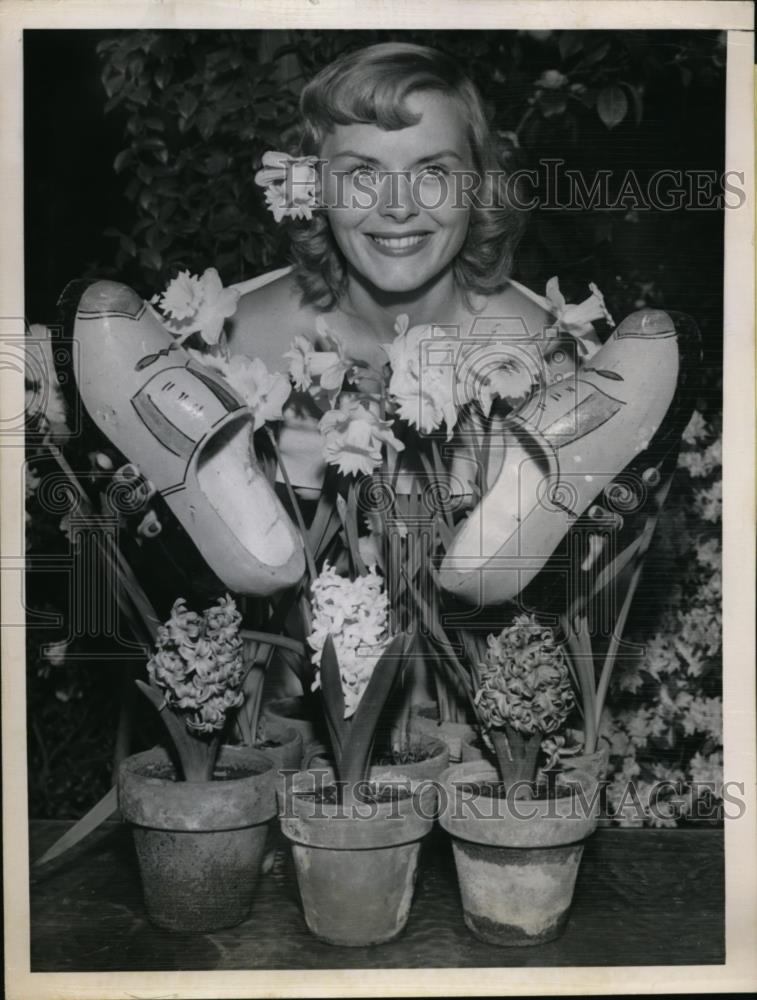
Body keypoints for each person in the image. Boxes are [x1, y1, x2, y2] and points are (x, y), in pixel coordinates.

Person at [227, 41, 554, 496]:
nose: (398, 208)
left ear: (478, 185)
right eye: (363, 174)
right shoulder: (233, 341)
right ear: (311, 188)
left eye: (433, 173)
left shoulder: (547, 360)